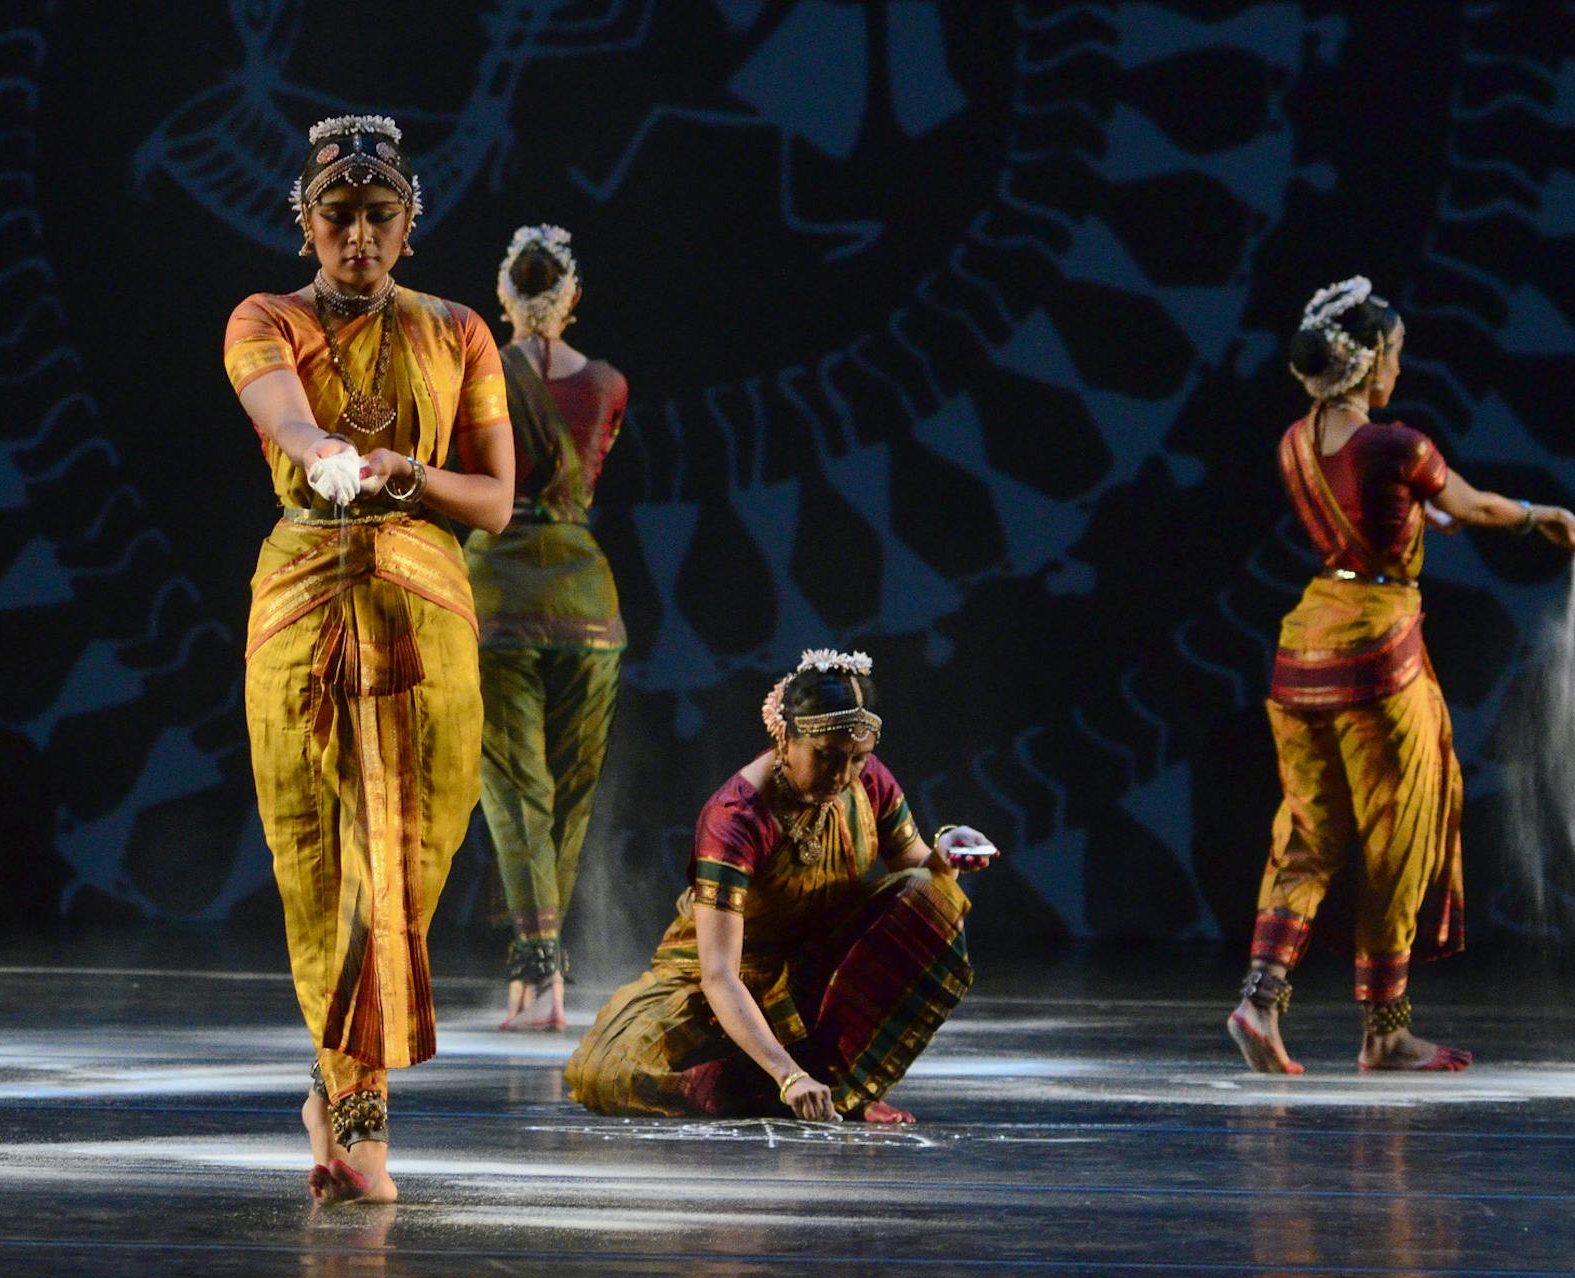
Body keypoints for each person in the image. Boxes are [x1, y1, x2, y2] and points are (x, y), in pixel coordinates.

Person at [224, 115, 515, 1202]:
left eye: (377, 217)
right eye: (336, 217)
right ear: (304, 221)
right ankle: (359, 1117)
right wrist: (328, 457)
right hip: (302, 603)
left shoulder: (462, 332)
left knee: (403, 869)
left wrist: (406, 477)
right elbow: (283, 416)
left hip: (427, 611)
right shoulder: (266, 315)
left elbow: (493, 497)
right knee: (318, 866)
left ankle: (332, 1079)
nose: (357, 237)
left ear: (410, 224)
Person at [1228, 276, 1575, 1075]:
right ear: (1367, 366)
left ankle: (1260, 999)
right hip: (1375, 658)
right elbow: (1477, 506)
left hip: (1305, 645)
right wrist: (1539, 516)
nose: (1397, 369)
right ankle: (1385, 1030)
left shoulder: (1297, 440)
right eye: (1393, 354)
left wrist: (1419, 516)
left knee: (1311, 833)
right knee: (1401, 832)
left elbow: (1368, 514)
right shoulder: (1398, 444)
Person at [564, 650, 997, 1123]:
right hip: (731, 978)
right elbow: (719, 975)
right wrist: (787, 1075)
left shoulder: (868, 781)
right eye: (827, 757)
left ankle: (849, 1089)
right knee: (609, 1072)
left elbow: (921, 879)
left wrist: (949, 854)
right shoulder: (736, 817)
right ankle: (797, 1085)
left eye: (857, 759)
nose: (842, 775)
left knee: (924, 893)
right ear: (785, 737)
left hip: (819, 963)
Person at [468, 224, 630, 1032]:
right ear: (572, 297)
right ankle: (548, 975)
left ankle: (535, 973)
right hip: (586, 604)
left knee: (514, 788)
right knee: (567, 791)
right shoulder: (607, 383)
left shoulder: (478, 374)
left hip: (497, 593)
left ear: (505, 296)